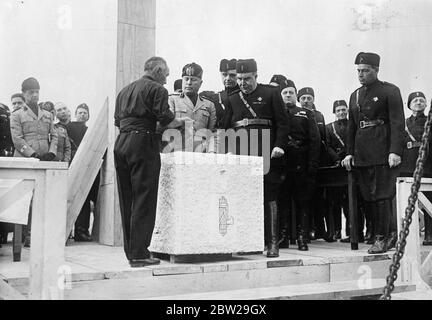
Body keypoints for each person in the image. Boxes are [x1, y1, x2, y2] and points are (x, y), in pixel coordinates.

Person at [114, 56, 191, 267]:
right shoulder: (157, 89)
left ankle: (132, 252)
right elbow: (166, 119)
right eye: (165, 75)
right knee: (144, 199)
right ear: (157, 71)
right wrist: (181, 123)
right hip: (142, 142)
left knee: (127, 198)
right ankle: (140, 254)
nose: (166, 80)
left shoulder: (124, 91)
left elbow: (117, 121)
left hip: (121, 143)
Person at [223, 59, 289, 257]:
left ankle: (273, 243)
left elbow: (283, 124)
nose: (243, 83)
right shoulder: (232, 98)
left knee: (269, 197)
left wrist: (279, 146)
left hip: (267, 151)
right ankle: (247, 242)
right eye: (240, 79)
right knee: (244, 197)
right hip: (243, 153)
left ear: (256, 76)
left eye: (247, 79)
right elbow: (226, 127)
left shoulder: (271, 93)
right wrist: (227, 150)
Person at [342, 52, 405, 254]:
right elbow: (351, 127)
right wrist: (349, 153)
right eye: (358, 71)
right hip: (362, 151)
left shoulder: (390, 91)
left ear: (376, 70)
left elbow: (397, 122)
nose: (361, 74)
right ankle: (386, 234)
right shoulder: (355, 95)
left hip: (382, 148)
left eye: (365, 70)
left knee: (382, 194)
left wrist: (395, 150)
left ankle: (383, 236)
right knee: (368, 195)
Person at [10, 77, 58, 247]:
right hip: (26, 161)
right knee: (24, 200)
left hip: (45, 160)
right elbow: (17, 139)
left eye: (37, 92)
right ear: (24, 94)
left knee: (42, 198)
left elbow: (54, 135)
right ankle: (21, 235)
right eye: (31, 92)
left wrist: (51, 152)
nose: (35, 95)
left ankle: (34, 234)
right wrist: (33, 154)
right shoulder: (17, 115)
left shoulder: (46, 114)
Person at [276, 78, 320, 251]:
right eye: (285, 93)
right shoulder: (277, 114)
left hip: (301, 163)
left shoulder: (306, 114)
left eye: (291, 92)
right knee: (283, 201)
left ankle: (302, 237)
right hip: (283, 163)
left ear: (296, 95)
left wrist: (312, 165)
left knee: (302, 202)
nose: (288, 95)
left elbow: (315, 140)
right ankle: (284, 237)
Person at [326, 100, 366, 243]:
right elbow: (328, 146)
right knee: (338, 200)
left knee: (356, 201)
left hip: (354, 164)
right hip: (338, 167)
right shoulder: (329, 128)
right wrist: (337, 158)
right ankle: (337, 232)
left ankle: (356, 233)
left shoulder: (353, 124)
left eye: (344, 109)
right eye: (338, 110)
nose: (341, 112)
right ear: (334, 112)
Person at [298, 87, 331, 241]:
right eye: (303, 98)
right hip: (302, 161)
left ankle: (321, 229)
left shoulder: (319, 116)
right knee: (305, 197)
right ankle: (307, 230)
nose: (306, 100)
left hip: (318, 161)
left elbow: (323, 139)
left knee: (320, 197)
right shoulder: (297, 114)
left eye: (309, 98)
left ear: (313, 100)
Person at [399, 92, 432, 246]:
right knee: (407, 200)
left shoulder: (430, 121)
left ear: (426, 104)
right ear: (409, 105)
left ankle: (429, 235)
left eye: (422, 100)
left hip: (427, 165)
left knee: (429, 200)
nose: (418, 103)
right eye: (415, 100)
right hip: (408, 164)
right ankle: (409, 235)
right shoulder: (404, 123)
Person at [166, 62, 217, 153]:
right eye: (186, 79)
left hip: (201, 153)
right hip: (177, 152)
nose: (189, 83)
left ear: (200, 83)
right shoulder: (172, 100)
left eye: (193, 80)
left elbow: (212, 133)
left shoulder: (209, 105)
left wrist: (212, 151)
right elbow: (168, 124)